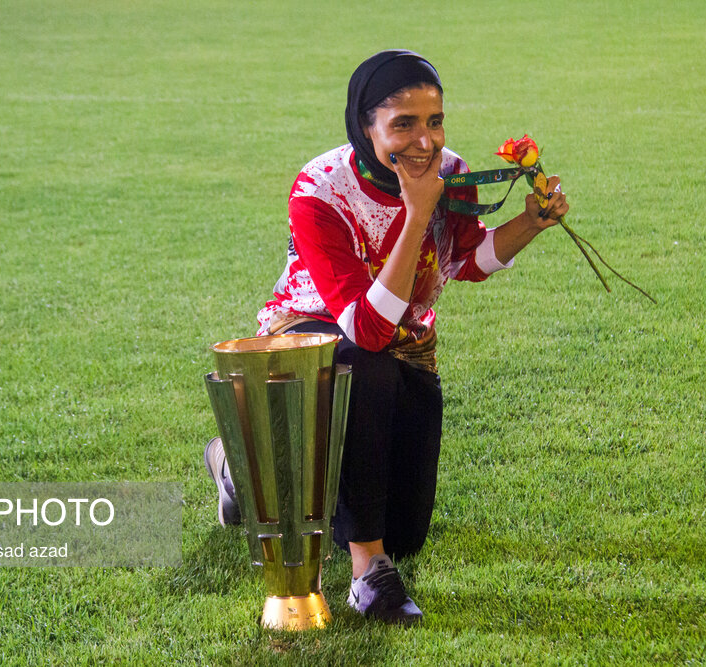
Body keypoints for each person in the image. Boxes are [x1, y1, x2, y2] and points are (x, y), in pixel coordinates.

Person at [204, 49, 568, 625]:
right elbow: (366, 329)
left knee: (406, 532)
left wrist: (531, 222)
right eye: (403, 124)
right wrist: (418, 211)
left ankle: (244, 474)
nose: (425, 141)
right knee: (363, 367)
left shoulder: (451, 170)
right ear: (363, 124)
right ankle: (366, 575)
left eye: (435, 120)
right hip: (318, 334)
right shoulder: (319, 189)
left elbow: (465, 259)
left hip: (405, 341)